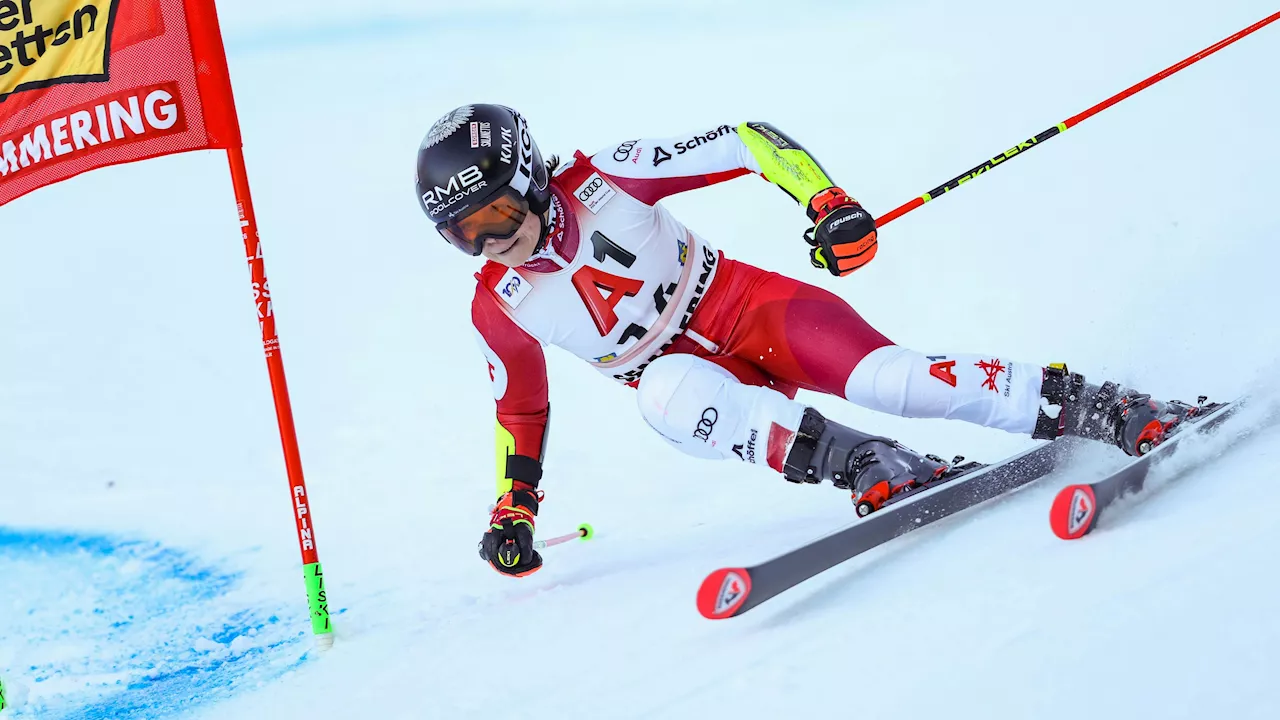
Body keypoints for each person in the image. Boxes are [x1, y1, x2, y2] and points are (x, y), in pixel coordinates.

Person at [415, 104, 1191, 578]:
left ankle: (1101, 405)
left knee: (894, 380)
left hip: (748, 307)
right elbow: (520, 409)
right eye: (464, 238)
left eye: (496, 219)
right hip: (692, 378)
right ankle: (869, 462)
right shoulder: (499, 307)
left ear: (532, 180)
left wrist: (826, 202)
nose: (492, 247)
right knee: (662, 395)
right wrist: (515, 507)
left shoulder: (608, 177)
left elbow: (745, 139)